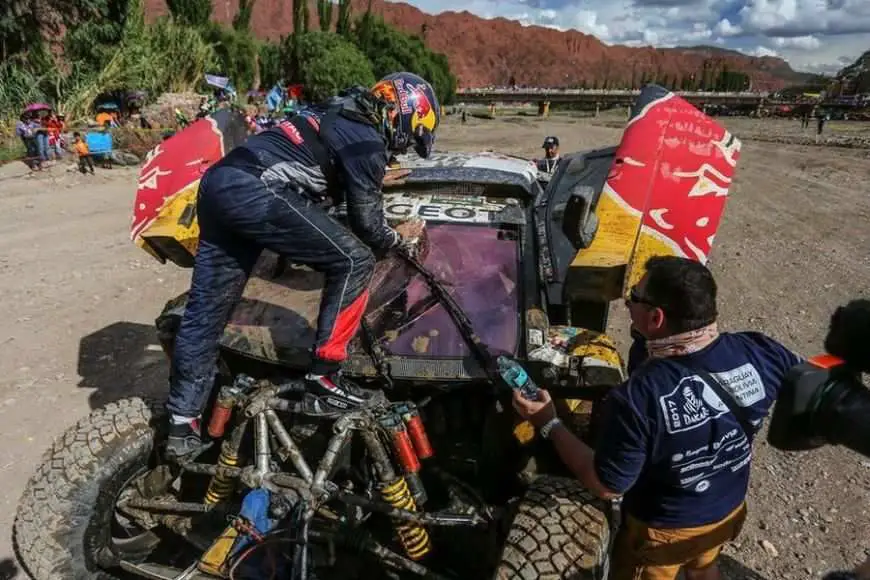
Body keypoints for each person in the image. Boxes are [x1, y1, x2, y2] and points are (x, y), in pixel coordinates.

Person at [166, 72, 441, 458]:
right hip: (255, 190)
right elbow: (368, 228)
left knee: (206, 312)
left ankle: (182, 423)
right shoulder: (366, 140)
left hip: (217, 186)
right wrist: (400, 239)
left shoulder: (334, 110)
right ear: (406, 116)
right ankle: (325, 376)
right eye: (410, 139)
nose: (402, 149)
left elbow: (327, 210)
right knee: (354, 260)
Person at [513, 255, 803, 580]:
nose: (626, 303)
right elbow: (811, 380)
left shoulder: (637, 399)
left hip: (664, 530)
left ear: (657, 317)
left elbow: (607, 486)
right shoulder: (760, 350)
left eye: (634, 297)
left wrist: (549, 422)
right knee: (704, 567)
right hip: (727, 508)